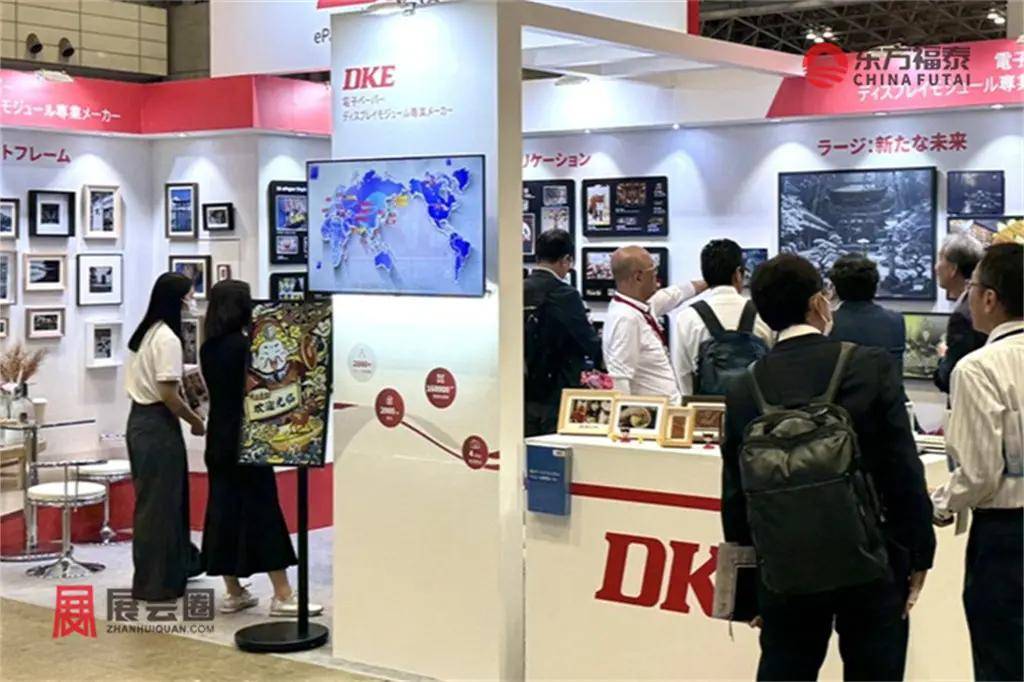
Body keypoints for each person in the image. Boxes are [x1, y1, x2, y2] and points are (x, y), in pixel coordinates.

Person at [720, 254, 935, 680]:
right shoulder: (869, 365)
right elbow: (902, 468)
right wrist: (919, 552)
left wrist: (748, 586)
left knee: (786, 670)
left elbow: (736, 491)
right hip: (872, 557)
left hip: (784, 564)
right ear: (819, 303)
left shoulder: (745, 386)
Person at [199, 281, 322, 616]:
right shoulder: (245, 348)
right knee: (264, 511)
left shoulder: (209, 348)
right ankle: (282, 594)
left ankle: (233, 590)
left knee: (222, 512)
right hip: (249, 439)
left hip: (219, 438)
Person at [931, 243, 1023, 682]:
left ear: (989, 298)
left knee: (1001, 660)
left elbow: (979, 474)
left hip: (1006, 539)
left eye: (972, 287)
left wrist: (941, 503)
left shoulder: (977, 368)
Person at [124, 272, 206, 601]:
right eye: (190, 295)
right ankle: (157, 582)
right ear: (178, 299)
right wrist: (195, 420)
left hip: (139, 422)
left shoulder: (146, 333)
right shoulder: (168, 339)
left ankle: (168, 570)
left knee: (154, 501)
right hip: (157, 424)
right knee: (161, 504)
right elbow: (169, 394)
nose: (193, 301)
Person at [603, 246, 706, 403]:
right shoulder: (626, 319)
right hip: (652, 413)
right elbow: (620, 378)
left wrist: (708, 282)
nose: (656, 277)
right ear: (638, 277)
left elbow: (672, 295)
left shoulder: (637, 306)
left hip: (666, 408)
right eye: (653, 271)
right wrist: (628, 415)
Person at [524, 230, 602, 437]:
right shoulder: (564, 294)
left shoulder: (519, 288)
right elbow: (587, 341)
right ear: (566, 259)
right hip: (556, 390)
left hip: (522, 389)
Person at [672, 239, 772, 396]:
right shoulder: (763, 313)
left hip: (705, 407)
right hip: (756, 407)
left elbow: (683, 373)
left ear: (705, 275)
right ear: (738, 274)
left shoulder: (687, 317)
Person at [828, 253, 908, 399]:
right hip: (888, 402)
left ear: (835, 288)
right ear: (875, 285)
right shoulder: (895, 320)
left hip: (842, 406)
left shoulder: (828, 323)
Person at [933, 233, 987, 395]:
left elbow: (950, 378)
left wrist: (943, 356)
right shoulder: (983, 303)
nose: (936, 267)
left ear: (953, 269)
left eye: (940, 259)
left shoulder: (962, 315)